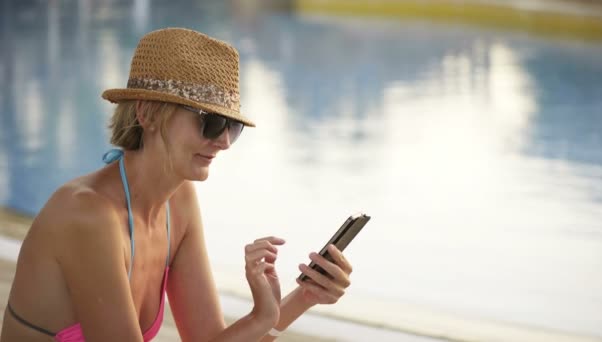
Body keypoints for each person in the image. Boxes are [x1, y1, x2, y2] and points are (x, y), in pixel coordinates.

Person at [0, 28, 353, 342]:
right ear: (147, 113)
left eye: (232, 127)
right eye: (211, 123)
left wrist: (302, 298)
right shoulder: (88, 215)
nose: (225, 142)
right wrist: (261, 318)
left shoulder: (178, 201)